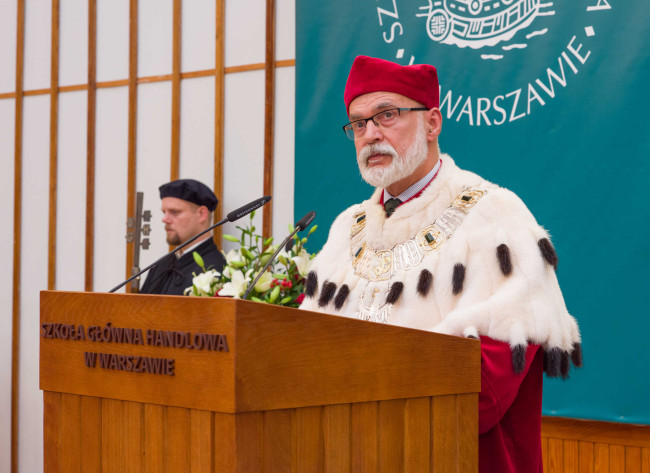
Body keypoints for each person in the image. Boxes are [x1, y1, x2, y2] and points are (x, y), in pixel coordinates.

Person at [299, 56, 582, 473]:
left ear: (432, 123)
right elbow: (298, 351)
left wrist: (356, 385)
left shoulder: (495, 215)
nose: (370, 134)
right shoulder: (346, 229)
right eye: (358, 123)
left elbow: (485, 388)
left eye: (387, 115)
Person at [140, 178, 226, 295]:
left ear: (201, 214)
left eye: (175, 212)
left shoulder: (216, 270)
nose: (164, 219)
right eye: (164, 212)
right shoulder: (161, 266)